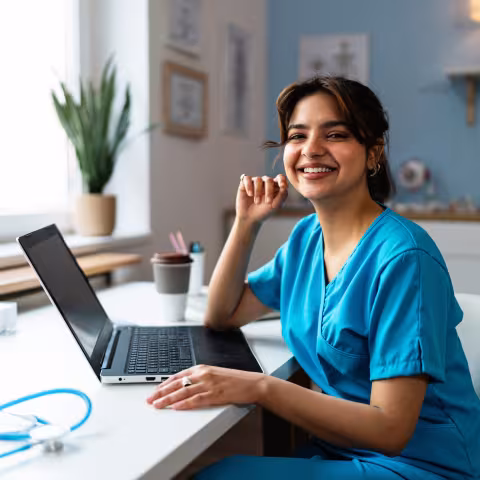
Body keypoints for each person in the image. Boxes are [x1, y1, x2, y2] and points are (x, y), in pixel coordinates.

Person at [146, 76, 480, 479]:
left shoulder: (404, 258)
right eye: (297, 135)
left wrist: (260, 387)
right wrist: (245, 225)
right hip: (342, 446)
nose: (311, 149)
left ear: (373, 154)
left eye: (335, 134)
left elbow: (392, 430)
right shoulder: (306, 238)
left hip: (424, 464)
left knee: (217, 475)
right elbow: (223, 314)